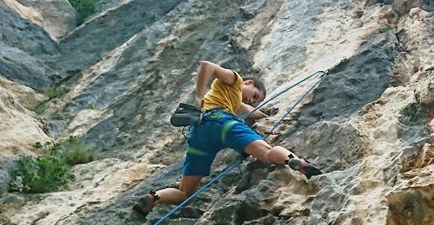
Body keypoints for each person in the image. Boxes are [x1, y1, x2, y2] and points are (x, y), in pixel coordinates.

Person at [134, 60, 321, 215]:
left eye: (255, 101)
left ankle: (154, 198)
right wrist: (199, 96)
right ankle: (295, 162)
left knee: (186, 194)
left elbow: (251, 111)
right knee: (268, 153)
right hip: (223, 123)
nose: (251, 100)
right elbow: (207, 66)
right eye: (254, 95)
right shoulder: (235, 80)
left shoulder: (231, 99)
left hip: (198, 135)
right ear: (248, 83)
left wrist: (265, 115)